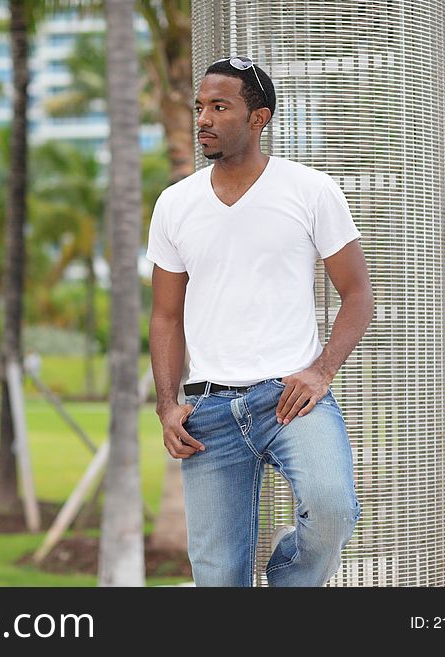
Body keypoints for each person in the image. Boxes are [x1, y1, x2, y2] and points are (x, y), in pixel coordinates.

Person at [146, 56, 374, 587]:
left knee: (334, 509)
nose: (203, 118)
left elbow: (358, 293)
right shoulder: (174, 204)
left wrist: (321, 371)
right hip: (207, 411)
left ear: (258, 118)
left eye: (219, 107)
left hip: (292, 398)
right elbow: (164, 313)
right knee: (218, 579)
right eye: (199, 106)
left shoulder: (312, 191)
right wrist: (166, 405)